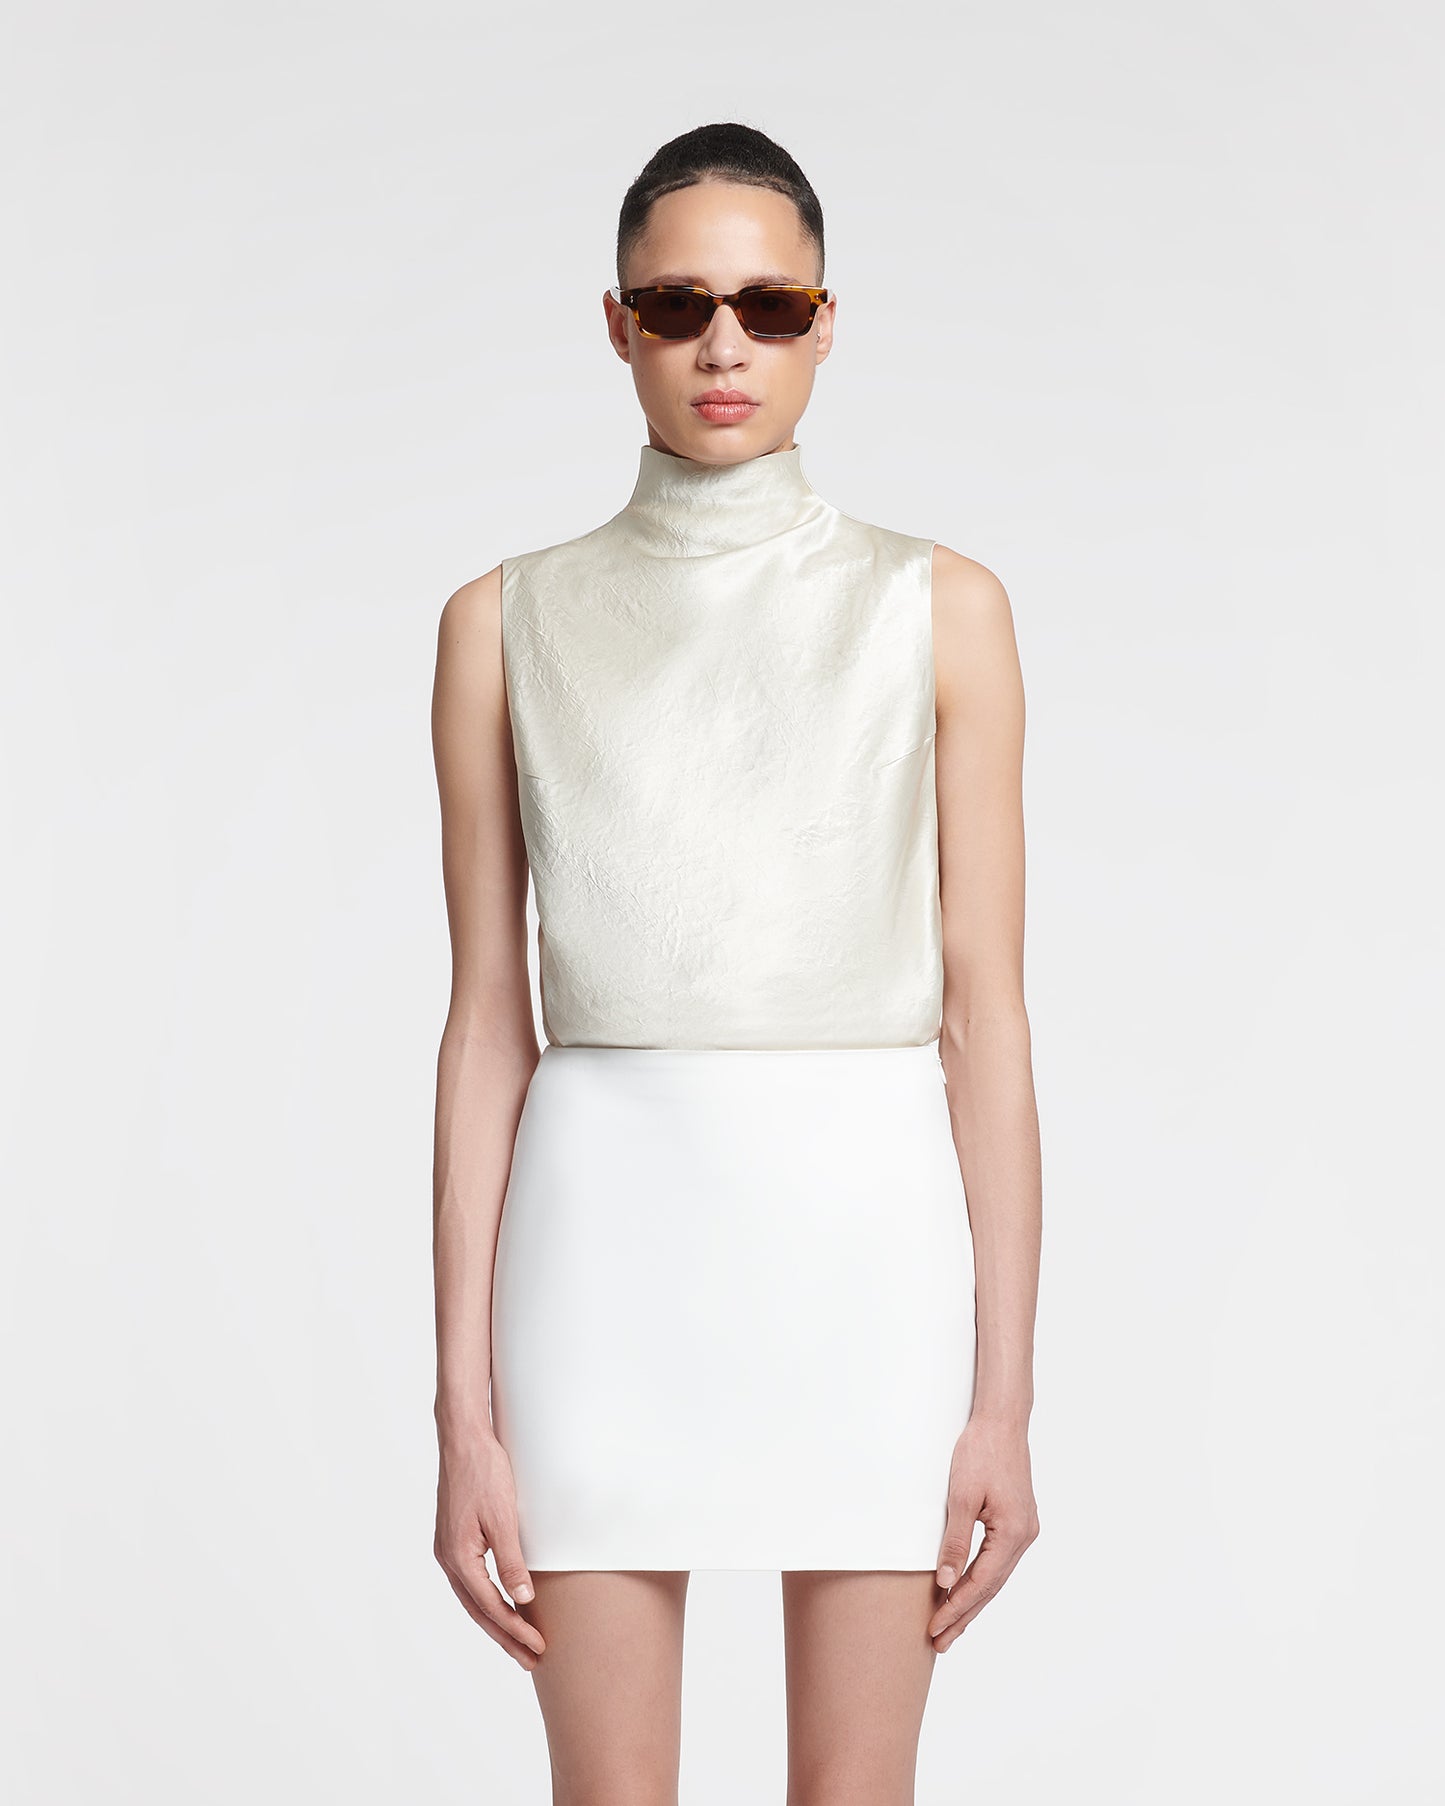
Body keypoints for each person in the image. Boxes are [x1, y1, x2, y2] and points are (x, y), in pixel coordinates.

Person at [430, 121, 1042, 1805]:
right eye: (678, 304)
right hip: (597, 1243)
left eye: (769, 307)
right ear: (615, 323)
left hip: (862, 1239)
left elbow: (985, 1020)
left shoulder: (942, 605)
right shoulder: (499, 622)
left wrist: (1002, 1398)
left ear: (824, 325)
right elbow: (486, 1024)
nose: (723, 344)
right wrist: (462, 1411)